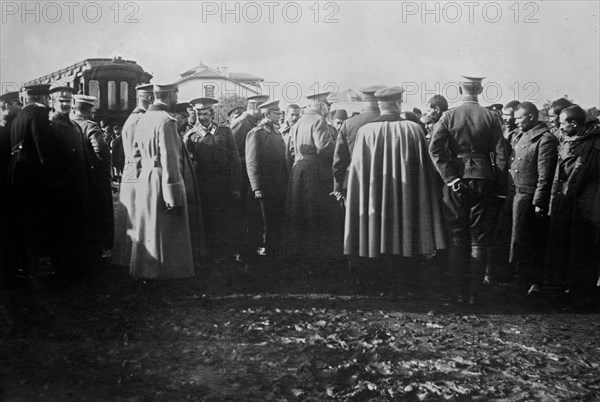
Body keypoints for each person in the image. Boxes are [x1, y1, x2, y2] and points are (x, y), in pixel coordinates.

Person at [343, 87, 446, 295]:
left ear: (380, 105)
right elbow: (425, 169)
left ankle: (380, 283)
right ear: (398, 104)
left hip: (376, 199)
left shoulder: (365, 132)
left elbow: (357, 172)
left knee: (377, 231)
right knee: (407, 231)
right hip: (407, 196)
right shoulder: (414, 129)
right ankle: (407, 285)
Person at [429, 76, 509, 304]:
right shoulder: (492, 116)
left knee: (457, 235)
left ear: (458, 89)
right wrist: (500, 185)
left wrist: (451, 177)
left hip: (456, 179)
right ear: (481, 89)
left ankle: (458, 292)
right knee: (479, 238)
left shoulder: (449, 115)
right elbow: (501, 154)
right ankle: (475, 293)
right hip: (484, 179)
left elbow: (435, 150)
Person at [129, 83, 205, 279]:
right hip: (162, 181)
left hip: (146, 180)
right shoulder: (166, 121)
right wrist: (174, 198)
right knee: (167, 233)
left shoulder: (143, 119)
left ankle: (146, 273)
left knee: (148, 231)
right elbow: (170, 161)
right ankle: (167, 279)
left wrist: (141, 180)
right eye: (176, 94)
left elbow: (135, 156)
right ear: (171, 94)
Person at [547, 105, 600, 297]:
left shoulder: (596, 143)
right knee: (561, 244)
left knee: (582, 248)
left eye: (562, 124)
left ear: (574, 123)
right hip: (564, 200)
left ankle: (580, 291)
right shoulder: (565, 139)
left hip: (586, 206)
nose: (559, 127)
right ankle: (561, 286)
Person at [7, 84, 55, 287]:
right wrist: (52, 175)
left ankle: (27, 268)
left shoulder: (20, 115)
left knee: (25, 224)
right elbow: (42, 146)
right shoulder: (39, 113)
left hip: (19, 174)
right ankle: (38, 272)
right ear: (44, 97)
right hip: (36, 178)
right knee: (39, 223)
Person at [184, 97, 242, 263]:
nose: (203, 117)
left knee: (226, 219)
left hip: (224, 187)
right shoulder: (191, 137)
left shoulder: (224, 131)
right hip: (204, 188)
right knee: (208, 220)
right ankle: (210, 254)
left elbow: (234, 160)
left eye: (206, 114)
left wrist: (235, 186)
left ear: (212, 114)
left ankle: (229, 253)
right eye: (199, 114)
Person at [509, 102, 558, 295]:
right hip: (517, 194)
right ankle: (521, 279)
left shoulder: (545, 140)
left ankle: (530, 281)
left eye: (519, 118)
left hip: (529, 196)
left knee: (528, 240)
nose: (515, 121)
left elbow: (544, 175)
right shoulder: (520, 136)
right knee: (517, 240)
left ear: (531, 117)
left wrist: (539, 201)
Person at [286, 91, 340, 261]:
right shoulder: (318, 120)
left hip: (298, 169)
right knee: (314, 211)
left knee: (298, 210)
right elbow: (324, 147)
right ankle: (317, 254)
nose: (328, 110)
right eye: (327, 106)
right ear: (322, 106)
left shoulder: (299, 121)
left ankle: (299, 252)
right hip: (314, 171)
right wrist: (339, 151)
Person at [49, 85, 92, 280]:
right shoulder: (49, 126)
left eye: (69, 101)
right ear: (53, 103)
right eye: (62, 101)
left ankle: (79, 267)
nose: (66, 105)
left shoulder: (75, 126)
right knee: (62, 230)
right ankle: (63, 270)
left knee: (80, 226)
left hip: (79, 186)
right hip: (61, 189)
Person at [112, 83, 153, 268]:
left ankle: (126, 258)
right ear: (150, 98)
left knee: (129, 218)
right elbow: (139, 154)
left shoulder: (133, 118)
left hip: (130, 171)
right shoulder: (141, 119)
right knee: (137, 217)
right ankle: (134, 261)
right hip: (136, 172)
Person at [72, 94, 114, 259]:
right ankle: (102, 247)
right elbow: (101, 152)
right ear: (89, 110)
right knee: (100, 210)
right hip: (95, 178)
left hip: (76, 177)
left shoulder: (67, 124)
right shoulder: (91, 126)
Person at [245, 100, 288, 259]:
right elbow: (251, 162)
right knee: (264, 225)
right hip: (264, 187)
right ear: (267, 114)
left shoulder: (276, 133)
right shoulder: (257, 133)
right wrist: (256, 187)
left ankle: (274, 254)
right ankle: (262, 257)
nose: (280, 116)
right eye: (276, 113)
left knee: (275, 222)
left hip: (277, 186)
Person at [332, 85, 385, 198]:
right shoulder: (389, 122)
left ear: (364, 100)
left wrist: (338, 185)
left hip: (354, 181)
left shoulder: (349, 123)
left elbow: (339, 159)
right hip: (384, 182)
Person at [231, 95, 269, 222]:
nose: (266, 113)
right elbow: (232, 151)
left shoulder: (250, 121)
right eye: (264, 108)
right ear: (257, 107)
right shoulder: (242, 122)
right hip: (243, 174)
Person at [0, 91, 23, 291]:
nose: (20, 107)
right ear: (6, 106)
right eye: (16, 103)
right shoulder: (5, 131)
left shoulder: (11, 128)